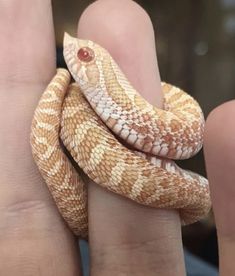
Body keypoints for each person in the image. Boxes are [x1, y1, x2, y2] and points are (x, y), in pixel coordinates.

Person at [0, 0, 231, 275]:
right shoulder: (81, 98)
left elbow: (201, 197)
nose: (72, 47)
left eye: (84, 55)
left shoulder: (151, 112)